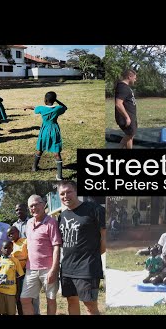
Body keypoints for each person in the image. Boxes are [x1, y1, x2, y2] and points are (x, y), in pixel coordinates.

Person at [57, 180, 105, 315]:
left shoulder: (94, 209)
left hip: (87, 268)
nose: (65, 196)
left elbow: (104, 238)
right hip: (67, 268)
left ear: (76, 191)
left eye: (69, 192)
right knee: (71, 301)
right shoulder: (62, 216)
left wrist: (92, 257)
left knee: (90, 306)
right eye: (62, 193)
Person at [20, 194, 62, 316]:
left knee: (50, 299)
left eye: (36, 204)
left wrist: (54, 270)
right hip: (31, 269)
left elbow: (56, 246)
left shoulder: (51, 222)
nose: (33, 208)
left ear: (43, 204)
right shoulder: (28, 223)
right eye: (30, 206)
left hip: (48, 269)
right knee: (25, 299)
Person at [24, 91, 67, 180]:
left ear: (45, 100)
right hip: (54, 131)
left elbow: (34, 107)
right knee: (56, 152)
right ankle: (59, 176)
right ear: (54, 100)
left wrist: (27, 107)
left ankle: (34, 167)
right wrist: (57, 101)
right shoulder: (57, 108)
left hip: (44, 131)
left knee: (40, 149)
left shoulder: (42, 108)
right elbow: (65, 107)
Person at [0, 241, 24, 315]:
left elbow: (18, 278)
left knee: (11, 312)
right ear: (1, 249)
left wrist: (18, 292)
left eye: (9, 248)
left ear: (12, 249)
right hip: (0, 291)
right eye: (5, 248)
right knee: (1, 311)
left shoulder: (15, 261)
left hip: (11, 292)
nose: (7, 250)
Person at [7, 226, 32, 315]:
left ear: (18, 232)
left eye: (12, 233)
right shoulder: (9, 245)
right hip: (13, 274)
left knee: (24, 296)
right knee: (17, 295)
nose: (11, 235)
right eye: (9, 234)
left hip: (25, 273)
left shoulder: (25, 241)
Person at [114, 69, 138, 149]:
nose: (135, 79)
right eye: (134, 77)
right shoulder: (122, 87)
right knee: (129, 135)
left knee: (130, 135)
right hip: (126, 116)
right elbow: (118, 104)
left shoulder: (126, 87)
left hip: (130, 115)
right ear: (129, 77)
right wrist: (127, 117)